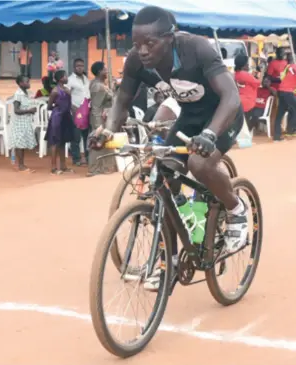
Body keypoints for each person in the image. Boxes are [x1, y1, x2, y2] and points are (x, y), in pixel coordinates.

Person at [89, 6, 248, 289]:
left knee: (199, 165)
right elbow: (123, 100)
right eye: (137, 44)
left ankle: (236, 208)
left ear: (170, 36)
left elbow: (231, 96)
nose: (143, 50)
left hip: (223, 115)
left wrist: (211, 134)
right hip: (189, 117)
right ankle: (171, 259)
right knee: (164, 174)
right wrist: (108, 130)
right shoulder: (137, 62)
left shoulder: (197, 49)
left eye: (150, 43)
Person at [88, 61, 115, 177]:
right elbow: (96, 106)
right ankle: (94, 169)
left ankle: (103, 167)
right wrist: (98, 124)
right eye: (105, 69)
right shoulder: (98, 87)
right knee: (97, 142)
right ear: (99, 72)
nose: (107, 71)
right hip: (99, 118)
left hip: (104, 117)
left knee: (104, 142)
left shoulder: (99, 83)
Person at [45, 70, 74, 175]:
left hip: (66, 116)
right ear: (61, 78)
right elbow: (49, 106)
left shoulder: (67, 90)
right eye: (65, 76)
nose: (67, 78)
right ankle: (53, 167)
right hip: (57, 117)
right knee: (55, 142)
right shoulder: (55, 91)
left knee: (63, 141)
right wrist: (58, 107)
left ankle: (63, 166)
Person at [11, 75, 38, 173]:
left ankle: (21, 164)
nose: (29, 83)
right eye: (26, 82)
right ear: (21, 83)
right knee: (19, 144)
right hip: (19, 123)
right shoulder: (18, 94)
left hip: (25, 122)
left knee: (22, 144)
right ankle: (21, 165)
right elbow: (16, 110)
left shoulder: (26, 93)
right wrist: (29, 111)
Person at [67, 58, 91, 166]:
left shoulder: (86, 79)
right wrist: (72, 107)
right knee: (76, 136)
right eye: (78, 66)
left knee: (87, 136)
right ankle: (76, 158)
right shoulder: (70, 80)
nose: (80, 67)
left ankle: (87, 157)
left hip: (86, 111)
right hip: (76, 111)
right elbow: (66, 94)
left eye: (81, 65)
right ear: (74, 67)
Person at [234, 54, 261, 132]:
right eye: (247, 64)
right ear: (243, 66)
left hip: (239, 101)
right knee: (250, 119)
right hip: (248, 102)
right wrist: (261, 72)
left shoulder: (236, 74)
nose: (248, 65)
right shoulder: (245, 74)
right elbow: (258, 83)